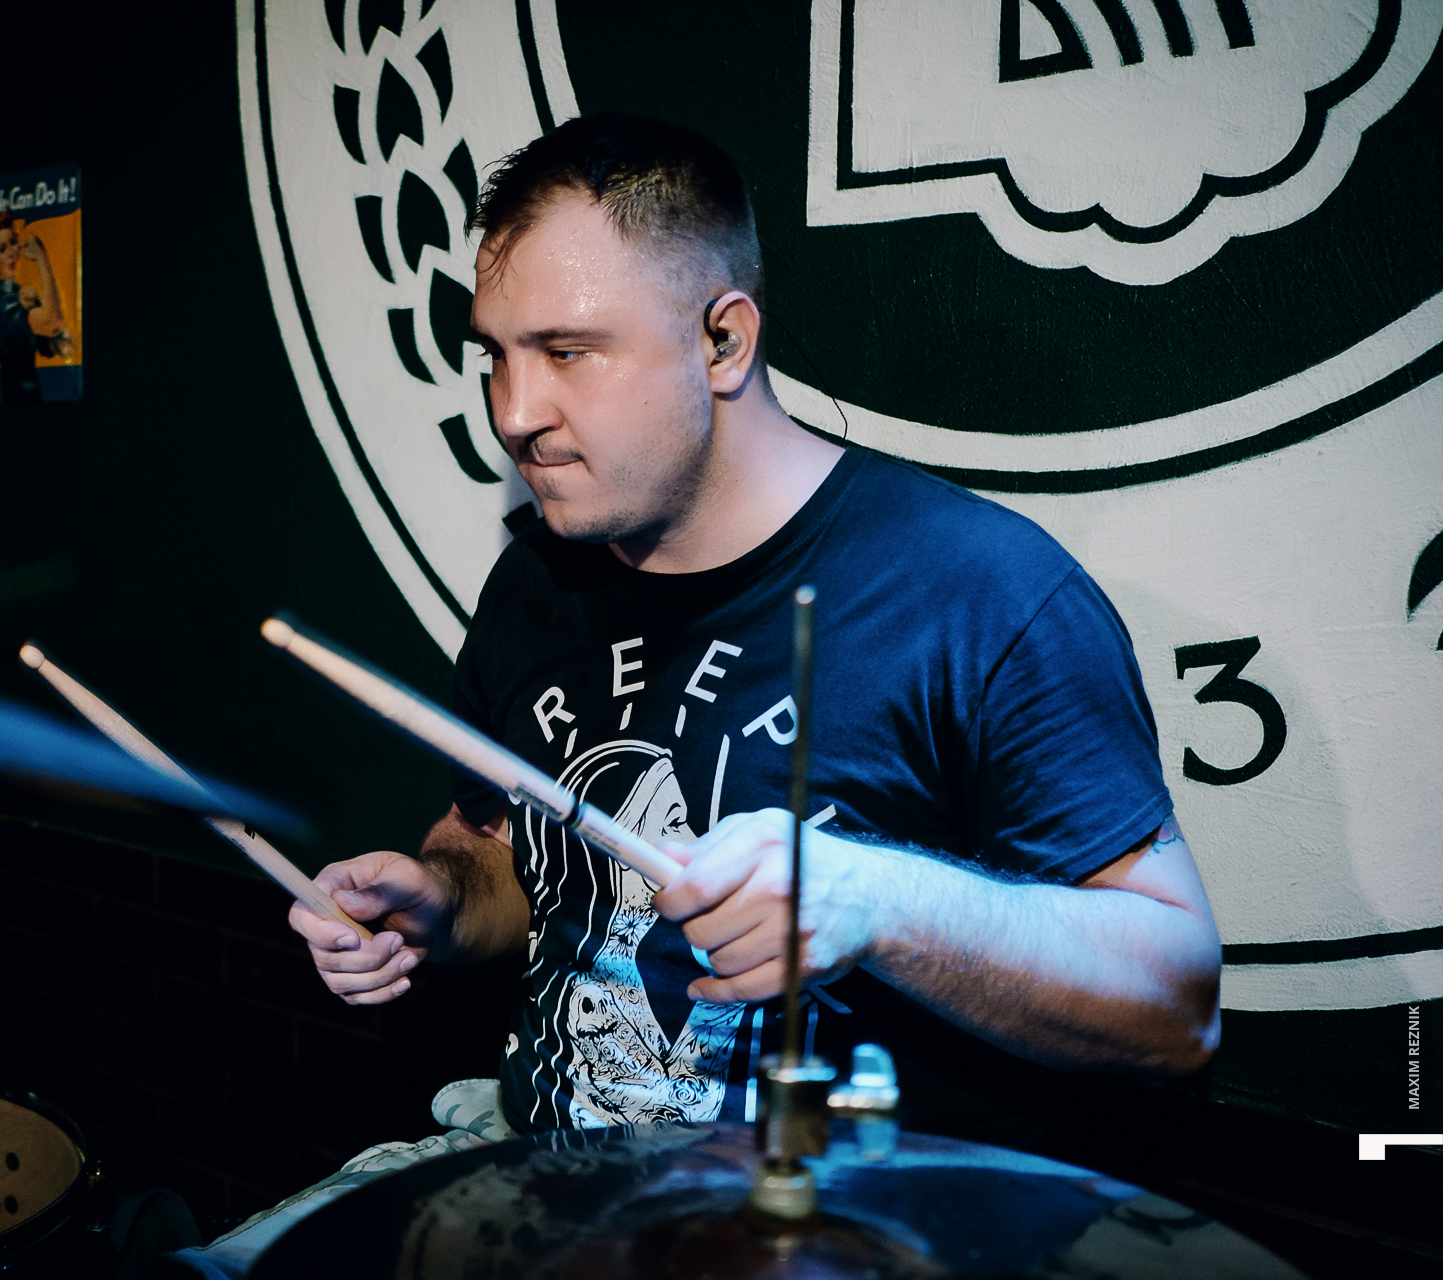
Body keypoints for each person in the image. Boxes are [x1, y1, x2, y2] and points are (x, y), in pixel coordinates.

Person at [287, 113, 1221, 1139]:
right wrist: (441, 898)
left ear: (722, 341)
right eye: (497, 357)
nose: (514, 411)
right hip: (537, 1174)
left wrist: (877, 903)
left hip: (835, 1208)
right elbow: (514, 858)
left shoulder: (980, 591)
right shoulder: (538, 577)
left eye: (567, 351)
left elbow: (1177, 1007)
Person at [0, 213, 74, 405]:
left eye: (13, 243)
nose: (11, 252)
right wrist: (41, 258)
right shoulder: (6, 303)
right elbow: (50, 322)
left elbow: (59, 343)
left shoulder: (20, 296)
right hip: (18, 400)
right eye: (2, 249)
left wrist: (38, 304)